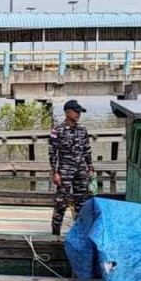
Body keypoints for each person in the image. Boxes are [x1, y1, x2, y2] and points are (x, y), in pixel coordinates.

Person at [49, 99, 94, 236]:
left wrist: (90, 167)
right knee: (61, 202)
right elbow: (52, 152)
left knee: (82, 201)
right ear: (68, 112)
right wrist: (55, 172)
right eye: (76, 112)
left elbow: (87, 149)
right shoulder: (57, 130)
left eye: (80, 112)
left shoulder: (82, 130)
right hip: (64, 170)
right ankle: (55, 232)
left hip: (81, 170)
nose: (79, 114)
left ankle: (79, 232)